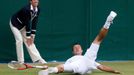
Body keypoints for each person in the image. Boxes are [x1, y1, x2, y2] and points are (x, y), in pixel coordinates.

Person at [38, 11, 120, 75]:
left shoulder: (88, 57)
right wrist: (56, 69)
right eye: (75, 48)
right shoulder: (70, 60)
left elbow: (102, 67)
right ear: (73, 52)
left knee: (98, 39)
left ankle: (108, 22)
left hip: (87, 59)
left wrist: (114, 71)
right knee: (60, 68)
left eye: (78, 47)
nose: (77, 48)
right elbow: (62, 68)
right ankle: (49, 71)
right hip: (77, 66)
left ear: (82, 51)